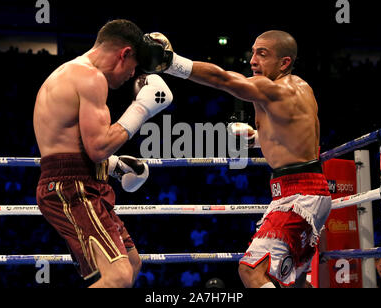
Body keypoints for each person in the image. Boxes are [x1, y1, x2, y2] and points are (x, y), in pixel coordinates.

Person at [140, 30, 331, 288]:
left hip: (299, 197)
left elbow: (224, 80)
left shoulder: (272, 88)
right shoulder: (299, 88)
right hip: (300, 191)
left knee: (251, 271)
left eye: (262, 54)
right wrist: (255, 139)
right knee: (294, 282)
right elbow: (294, 138)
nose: (253, 60)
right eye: (252, 52)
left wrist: (173, 63)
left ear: (284, 62)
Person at [33, 19, 173, 288]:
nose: (132, 76)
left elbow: (70, 147)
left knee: (131, 265)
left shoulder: (72, 73)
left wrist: (114, 165)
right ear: (125, 54)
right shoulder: (90, 77)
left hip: (77, 181)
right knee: (117, 277)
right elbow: (96, 148)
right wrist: (142, 108)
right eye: (133, 68)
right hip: (72, 188)